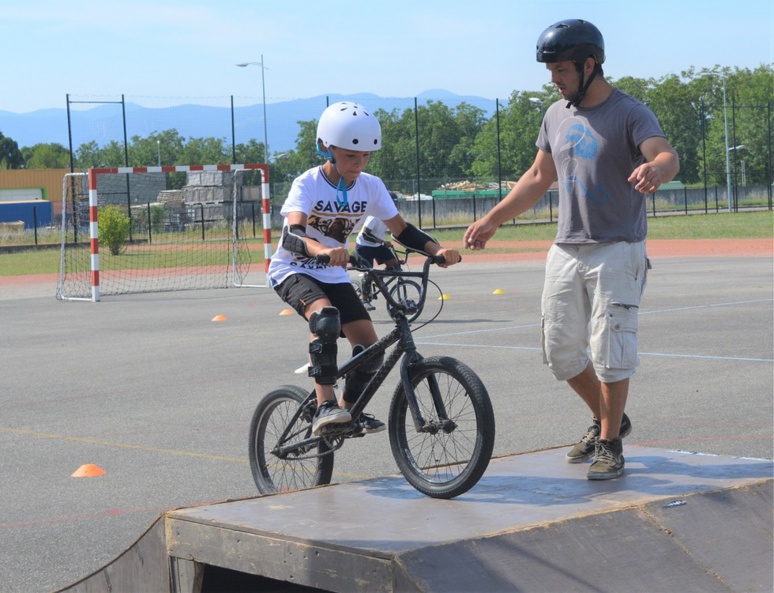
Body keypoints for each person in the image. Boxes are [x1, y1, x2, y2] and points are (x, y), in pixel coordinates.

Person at [463, 19, 679, 480]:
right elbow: (539, 177)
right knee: (560, 351)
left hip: (617, 249)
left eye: (561, 69)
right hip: (566, 249)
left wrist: (657, 168)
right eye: (551, 71)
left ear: (589, 65)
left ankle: (609, 443)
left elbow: (664, 153)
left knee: (610, 350)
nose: (554, 79)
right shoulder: (556, 113)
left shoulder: (629, 112)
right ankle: (611, 419)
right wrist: (493, 219)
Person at [267, 101, 461, 436]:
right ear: (326, 149)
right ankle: (324, 404)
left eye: (366, 157)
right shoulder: (308, 183)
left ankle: (345, 413)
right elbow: (291, 236)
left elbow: (402, 230)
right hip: (293, 269)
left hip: (333, 272)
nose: (359, 164)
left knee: (372, 350)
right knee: (325, 318)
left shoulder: (371, 185)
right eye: (350, 157)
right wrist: (324, 250)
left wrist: (438, 250)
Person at [354, 199, 402, 311]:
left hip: (378, 245)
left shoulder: (389, 216)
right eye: (392, 203)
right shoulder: (374, 216)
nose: (394, 206)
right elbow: (365, 235)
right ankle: (364, 299)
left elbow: (399, 231)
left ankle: (378, 278)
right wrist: (382, 242)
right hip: (364, 246)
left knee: (395, 267)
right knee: (369, 272)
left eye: (395, 204)